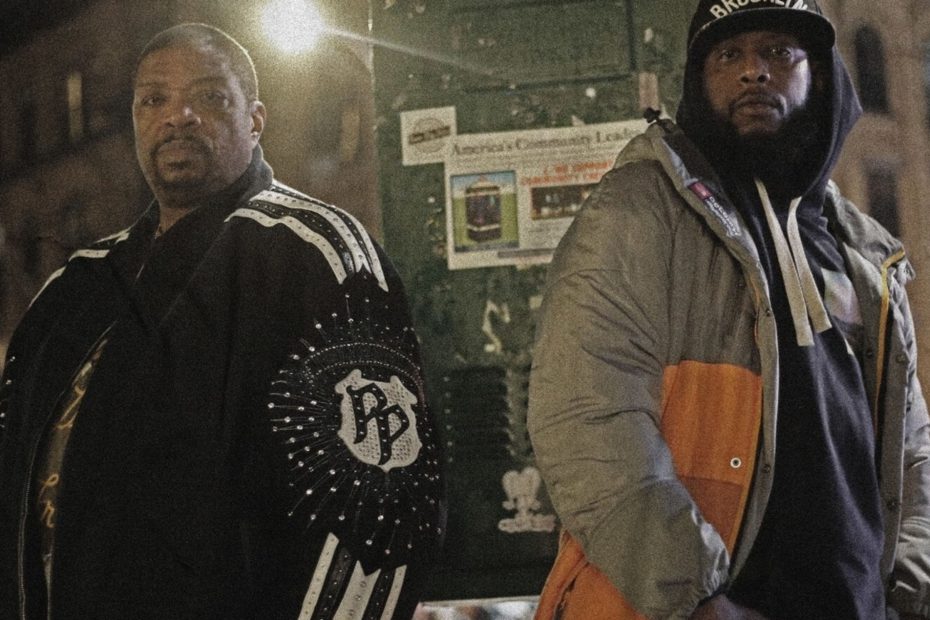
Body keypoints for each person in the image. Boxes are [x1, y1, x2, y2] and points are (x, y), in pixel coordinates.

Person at [0, 23, 443, 619]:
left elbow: (383, 500)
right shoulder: (74, 290)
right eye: (153, 100)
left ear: (255, 121)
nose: (177, 116)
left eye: (209, 97)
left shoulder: (310, 255)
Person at [528, 1, 930, 618]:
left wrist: (908, 591)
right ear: (698, 80)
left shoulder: (865, 255)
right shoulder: (640, 212)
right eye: (728, 55)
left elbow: (910, 454)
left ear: (821, 75)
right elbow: (587, 418)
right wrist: (697, 598)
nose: (753, 71)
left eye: (778, 51)